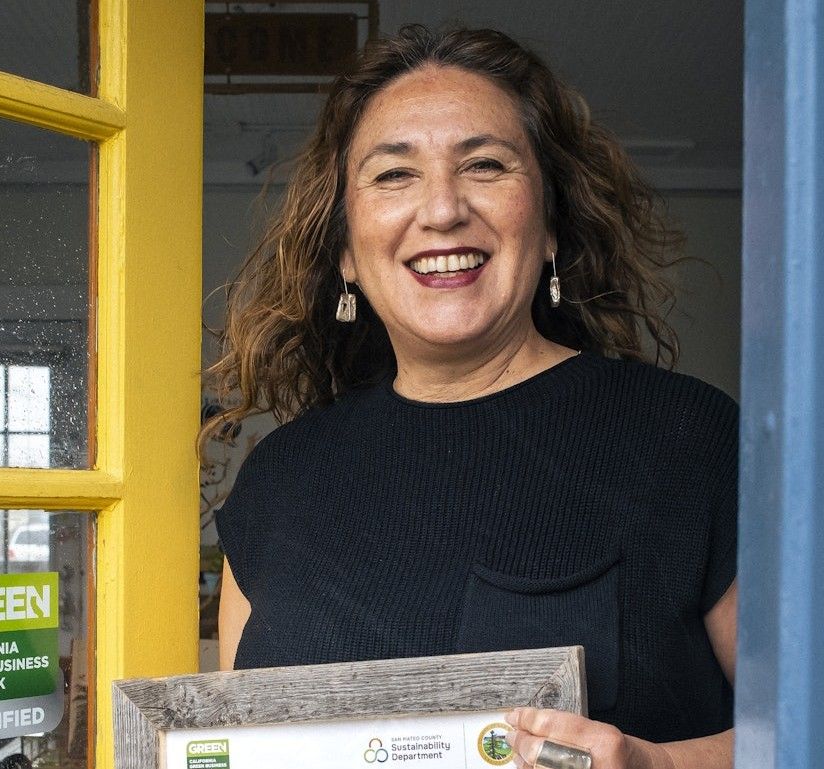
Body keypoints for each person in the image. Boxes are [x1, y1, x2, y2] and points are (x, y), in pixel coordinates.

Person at [202, 25, 737, 769]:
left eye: (485, 165)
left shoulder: (694, 439)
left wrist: (658, 765)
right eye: (394, 175)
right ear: (347, 252)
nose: (443, 208)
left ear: (550, 226)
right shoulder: (277, 483)